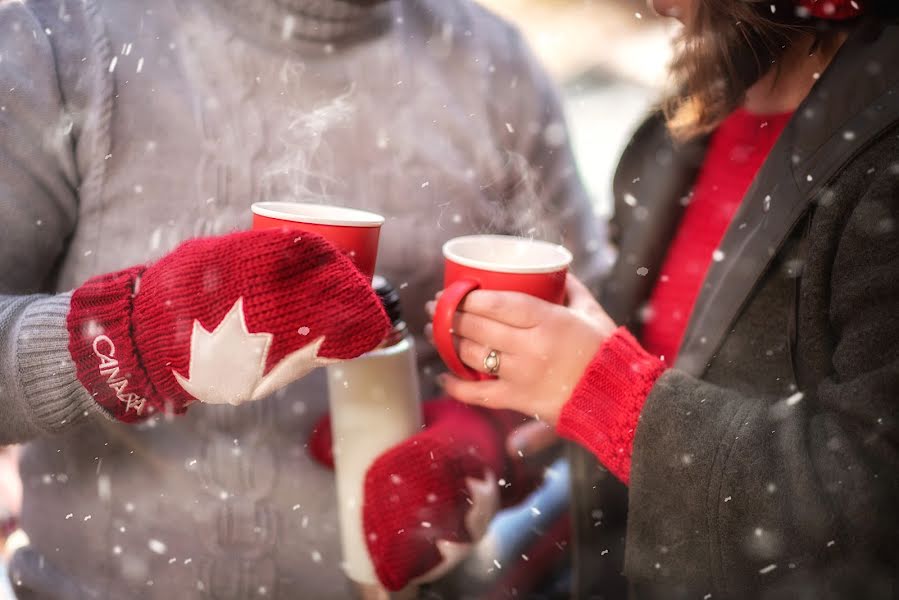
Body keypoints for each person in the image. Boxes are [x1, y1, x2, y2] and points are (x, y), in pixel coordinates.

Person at [0, 0, 608, 597]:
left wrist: (488, 439)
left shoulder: (496, 65)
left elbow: (594, 337)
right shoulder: (61, 35)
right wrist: (128, 341)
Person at [434, 0, 899, 598]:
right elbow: (639, 355)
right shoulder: (676, 130)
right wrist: (485, 435)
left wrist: (609, 396)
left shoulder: (884, 160)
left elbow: (871, 502)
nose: (656, 4)